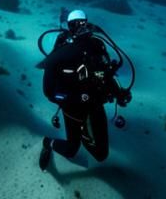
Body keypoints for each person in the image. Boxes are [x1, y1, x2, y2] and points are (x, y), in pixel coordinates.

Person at [38, 9, 133, 171]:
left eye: (83, 23)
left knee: (101, 154)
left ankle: (86, 133)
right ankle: (48, 142)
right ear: (69, 27)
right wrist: (74, 99)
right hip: (72, 109)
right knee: (71, 150)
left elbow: (107, 73)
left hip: (95, 103)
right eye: (75, 25)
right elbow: (49, 91)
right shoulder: (62, 49)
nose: (80, 27)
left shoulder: (97, 45)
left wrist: (119, 93)